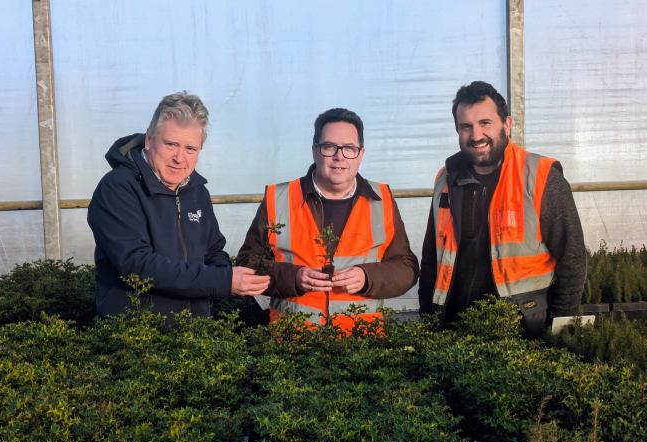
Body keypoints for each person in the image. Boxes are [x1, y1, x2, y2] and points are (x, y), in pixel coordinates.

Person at [419, 81, 586, 338]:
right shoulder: (445, 178)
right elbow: (431, 258)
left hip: (522, 332)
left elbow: (572, 258)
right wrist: (427, 325)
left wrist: (558, 331)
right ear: (457, 130)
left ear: (506, 124)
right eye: (466, 127)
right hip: (453, 330)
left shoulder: (541, 176)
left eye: (485, 123)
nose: (476, 136)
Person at [87, 91, 269, 321]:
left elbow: (213, 251)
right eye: (171, 144)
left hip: (194, 337)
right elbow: (137, 264)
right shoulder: (118, 188)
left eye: (190, 148)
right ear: (149, 139)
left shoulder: (196, 190)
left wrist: (245, 276)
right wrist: (222, 281)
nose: (180, 157)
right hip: (137, 338)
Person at [236, 108, 419, 330]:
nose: (339, 156)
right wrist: (293, 277)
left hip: (362, 347)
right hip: (292, 346)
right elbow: (248, 263)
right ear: (315, 151)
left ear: (361, 155)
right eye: (329, 146)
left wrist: (368, 276)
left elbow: (406, 268)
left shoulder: (382, 201)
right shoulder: (278, 199)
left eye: (349, 148)